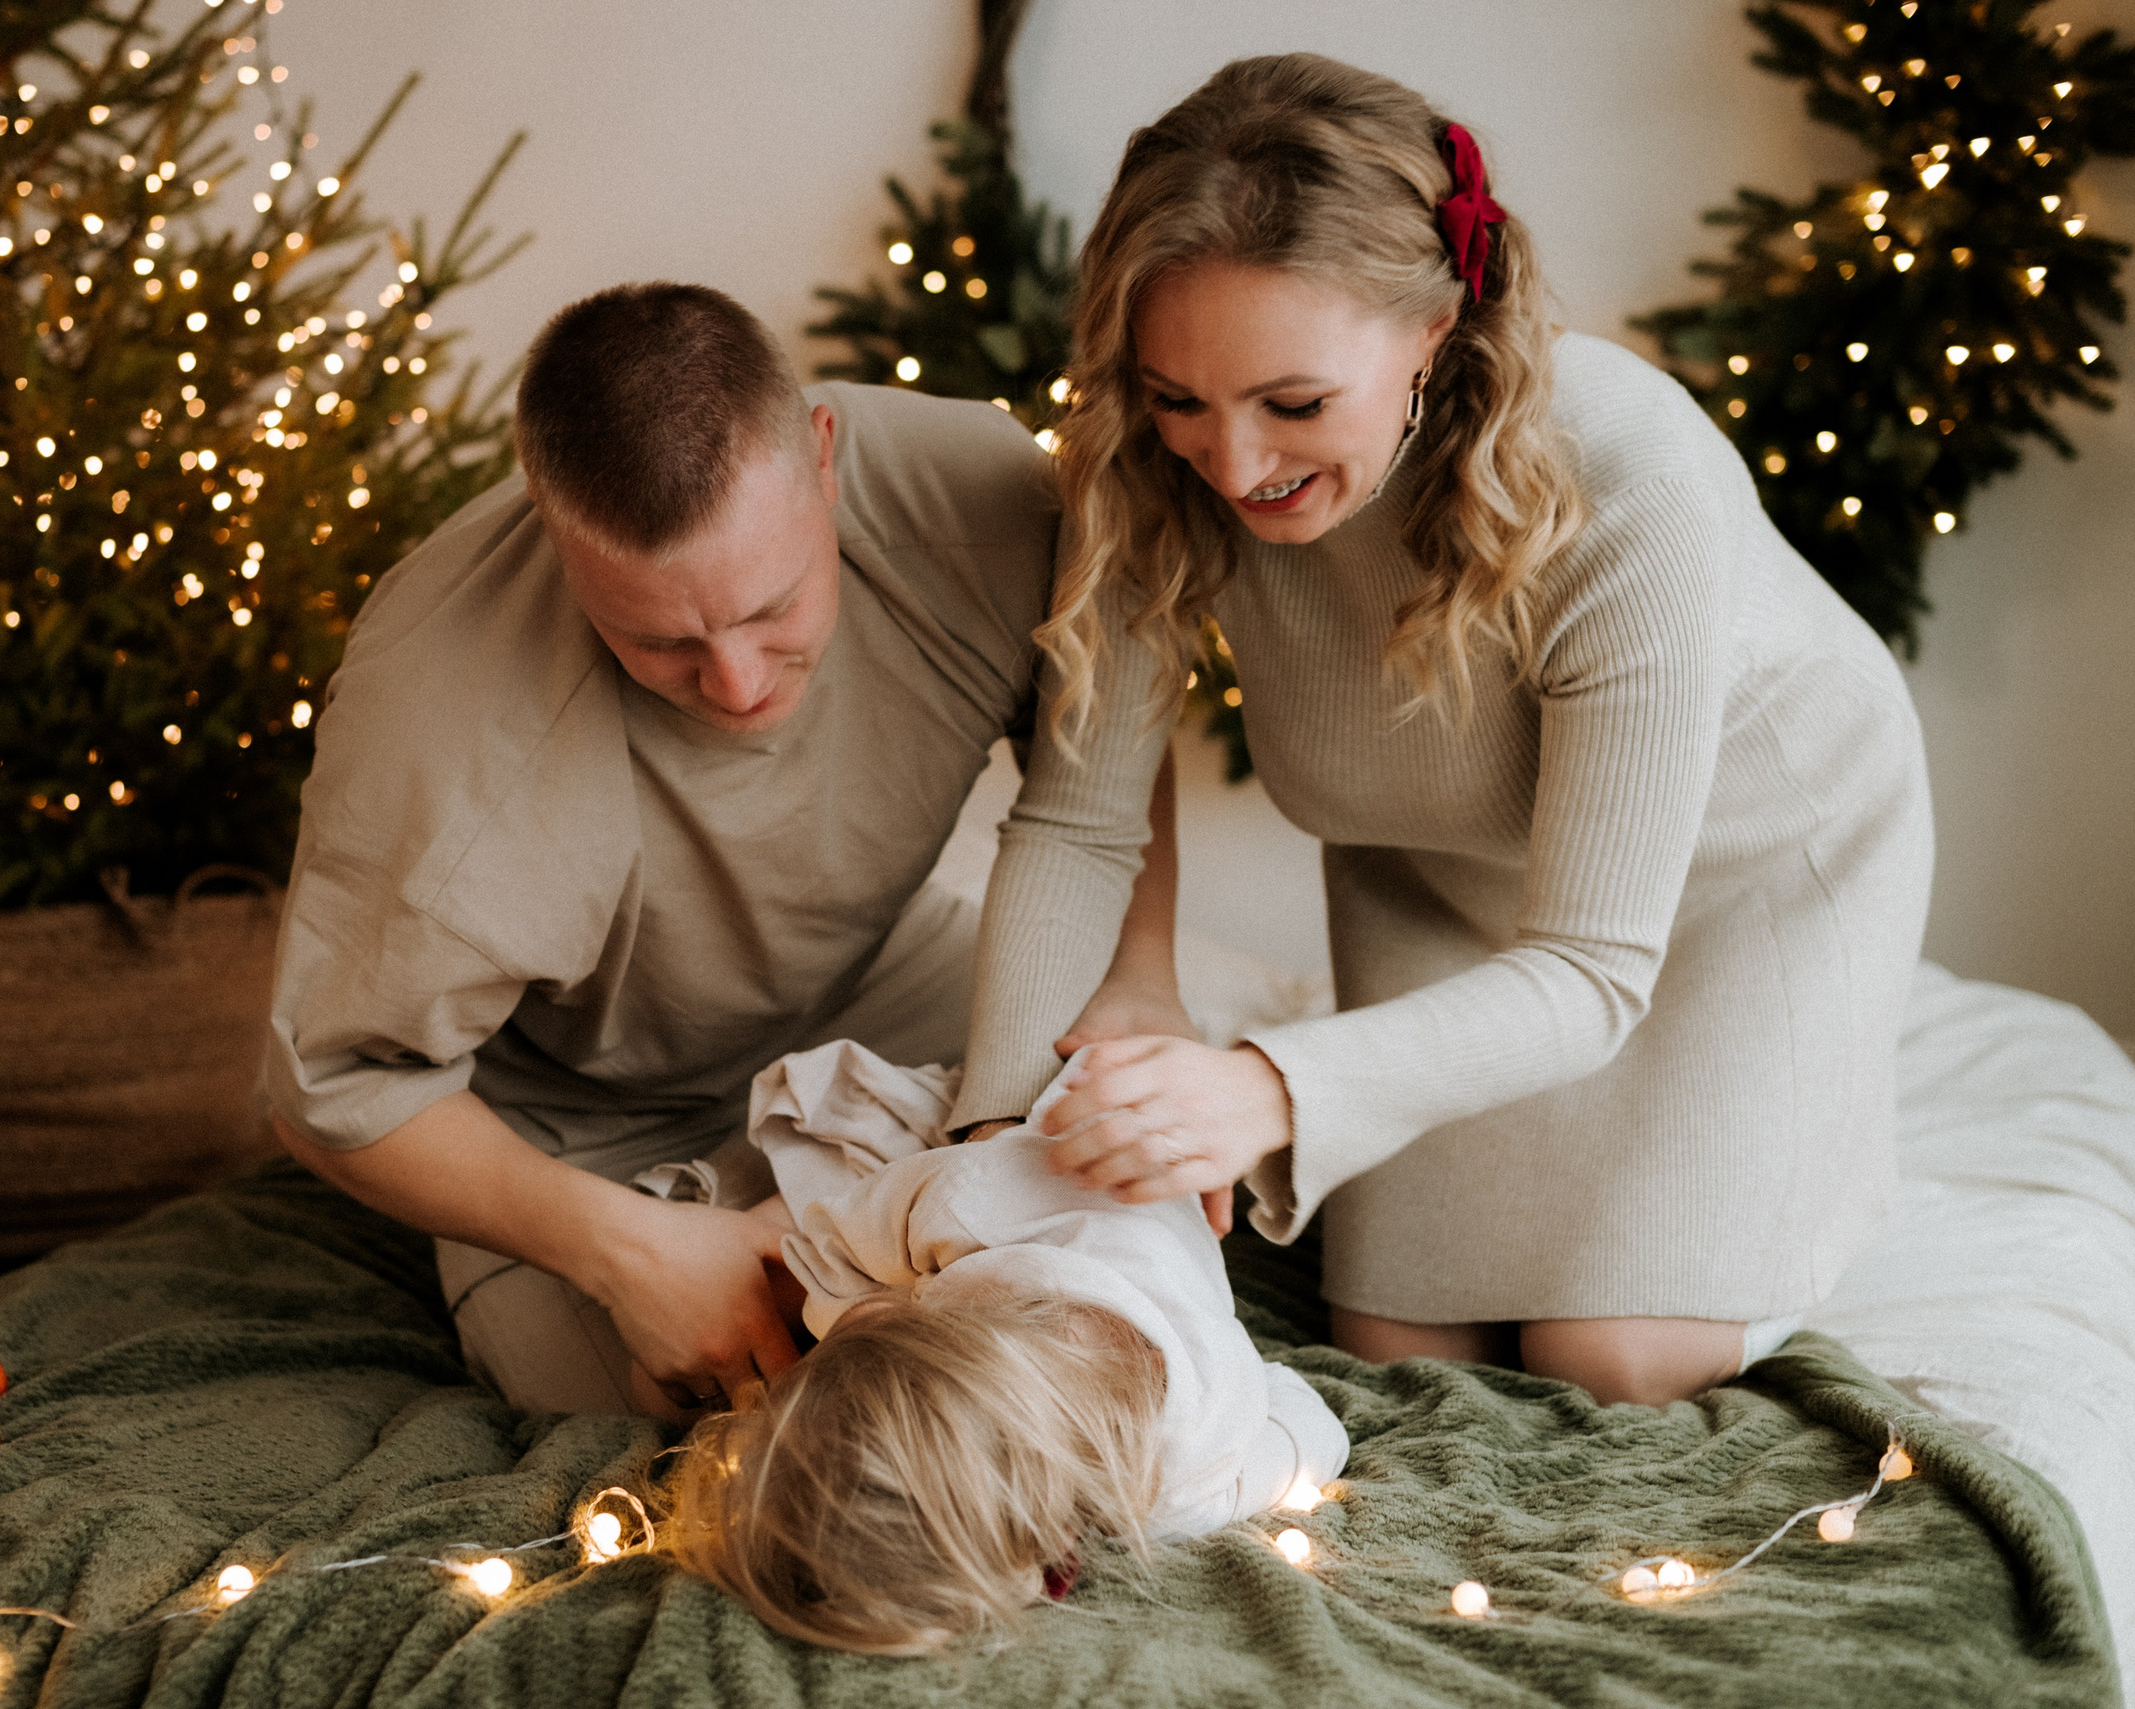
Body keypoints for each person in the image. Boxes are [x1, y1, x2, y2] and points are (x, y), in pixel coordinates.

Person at [949, 55, 1934, 1406]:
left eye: (1295, 404)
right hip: (1435, 876)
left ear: (1434, 328)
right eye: (1179, 398)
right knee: (1394, 1350)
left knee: (1611, 1362)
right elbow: (1077, 818)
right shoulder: (1142, 465)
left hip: (1738, 889)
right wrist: (991, 1149)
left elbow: (1591, 965)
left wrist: (1266, 1087)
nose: (1234, 464)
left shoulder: (1623, 475)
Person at [262, 283, 1158, 1418]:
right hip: (578, 1127)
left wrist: (1142, 980)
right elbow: (331, 1085)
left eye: (774, 608)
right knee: (795, 1421)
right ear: (553, 529)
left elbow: (1103, 769)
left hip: (880, 990)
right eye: (660, 639)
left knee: (1139, 1202)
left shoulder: (984, 502)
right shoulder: (437, 729)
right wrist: (625, 1251)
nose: (736, 685)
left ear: (824, 456)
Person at [661, 1038, 1348, 1654]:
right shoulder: (963, 1208)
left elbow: (1310, 1423)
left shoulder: (1183, 1484)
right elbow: (837, 1247)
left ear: (1059, 1559)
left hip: (1081, 1113)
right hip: (1099, 1088)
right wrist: (842, 1313)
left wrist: (1251, 1389)